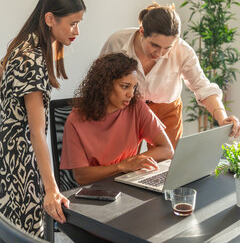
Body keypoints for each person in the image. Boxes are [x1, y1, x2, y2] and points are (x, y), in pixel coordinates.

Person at [0, 0, 86, 238]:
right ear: (50, 19)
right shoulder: (32, 59)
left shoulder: (20, 47)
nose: (77, 31)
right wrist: (51, 189)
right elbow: (36, 133)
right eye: (72, 23)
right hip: (22, 166)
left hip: (7, 158)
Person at [100, 3, 240, 149]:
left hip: (167, 110)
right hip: (126, 107)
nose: (160, 53)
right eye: (155, 45)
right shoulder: (117, 41)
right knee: (124, 163)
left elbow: (203, 88)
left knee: (167, 165)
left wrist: (222, 118)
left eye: (167, 48)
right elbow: (100, 81)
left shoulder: (183, 51)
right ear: (142, 31)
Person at [60, 53, 174, 185]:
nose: (131, 94)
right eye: (125, 86)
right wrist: (121, 166)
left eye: (134, 87)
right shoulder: (75, 121)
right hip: (97, 191)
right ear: (105, 85)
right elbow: (81, 176)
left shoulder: (137, 107)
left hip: (130, 182)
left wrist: (134, 162)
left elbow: (167, 150)